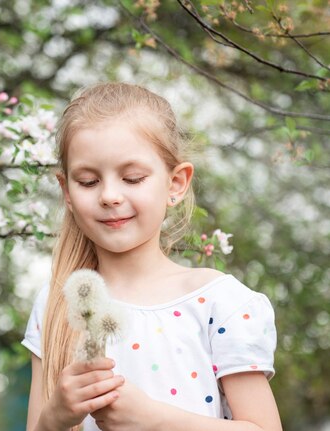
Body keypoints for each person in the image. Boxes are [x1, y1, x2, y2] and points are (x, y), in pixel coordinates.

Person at [21, 82, 281, 431]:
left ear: (175, 184)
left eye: (132, 178)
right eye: (87, 182)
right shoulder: (57, 305)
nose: (110, 195)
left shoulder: (219, 303)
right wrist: (52, 419)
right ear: (66, 191)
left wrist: (155, 420)